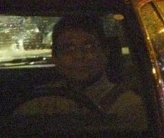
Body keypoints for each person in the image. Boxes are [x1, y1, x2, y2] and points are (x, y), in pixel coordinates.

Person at [13, 15, 146, 128]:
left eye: (89, 47)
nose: (78, 56)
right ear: (55, 57)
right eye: (68, 49)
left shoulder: (131, 107)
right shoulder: (40, 104)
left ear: (105, 52)